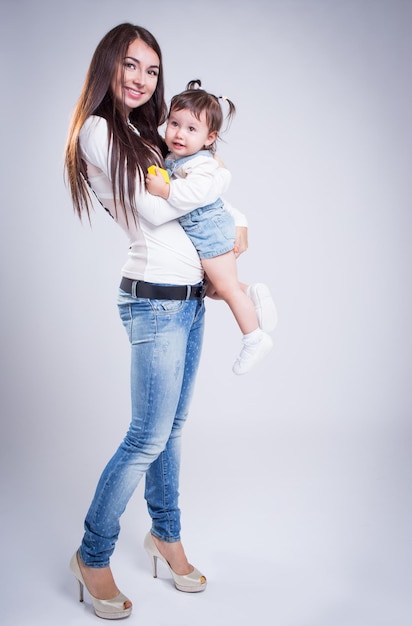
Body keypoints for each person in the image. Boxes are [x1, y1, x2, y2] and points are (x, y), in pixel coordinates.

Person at [64, 23, 249, 620]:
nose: (142, 79)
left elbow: (189, 187)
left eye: (151, 69)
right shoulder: (98, 131)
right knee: (147, 435)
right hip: (153, 299)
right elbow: (153, 204)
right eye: (131, 66)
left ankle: (164, 538)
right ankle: (92, 556)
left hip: (189, 297)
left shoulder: (149, 133)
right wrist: (209, 191)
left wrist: (228, 219)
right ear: (108, 68)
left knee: (172, 430)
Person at [146, 80, 278, 375]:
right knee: (212, 289)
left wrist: (165, 190)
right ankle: (252, 292)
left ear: (210, 138)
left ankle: (254, 338)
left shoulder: (204, 165)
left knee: (227, 289)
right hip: (205, 233)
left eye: (192, 129)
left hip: (209, 232)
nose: (179, 133)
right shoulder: (177, 156)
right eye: (174, 123)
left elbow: (194, 195)